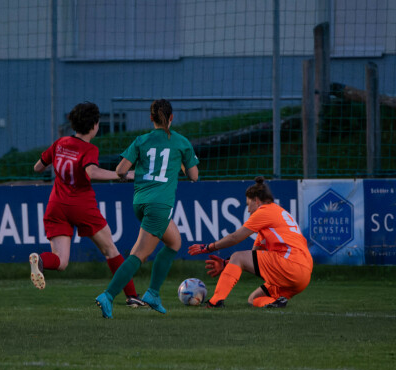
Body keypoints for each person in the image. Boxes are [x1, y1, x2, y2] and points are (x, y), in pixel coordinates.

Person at [30, 101, 145, 308]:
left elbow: (38, 167)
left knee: (61, 261)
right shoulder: (89, 148)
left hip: (56, 205)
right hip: (81, 206)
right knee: (110, 250)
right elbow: (91, 172)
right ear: (93, 125)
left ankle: (41, 261)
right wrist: (124, 175)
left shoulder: (60, 143)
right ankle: (132, 297)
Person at [95, 99, 199, 319]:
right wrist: (179, 163)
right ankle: (108, 295)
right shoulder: (181, 142)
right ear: (172, 118)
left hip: (140, 202)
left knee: (174, 242)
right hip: (160, 205)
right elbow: (194, 176)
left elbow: (120, 170)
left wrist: (132, 174)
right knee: (139, 254)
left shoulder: (141, 140)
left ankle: (152, 294)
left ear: (151, 118)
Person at [188, 176, 313, 308]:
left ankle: (215, 301)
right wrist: (226, 264)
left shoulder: (265, 211)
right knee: (254, 299)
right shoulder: (277, 213)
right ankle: (275, 303)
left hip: (290, 265)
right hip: (303, 274)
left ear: (257, 201)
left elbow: (235, 237)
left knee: (238, 256)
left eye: (248, 204)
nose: (248, 210)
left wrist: (209, 247)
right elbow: (254, 257)